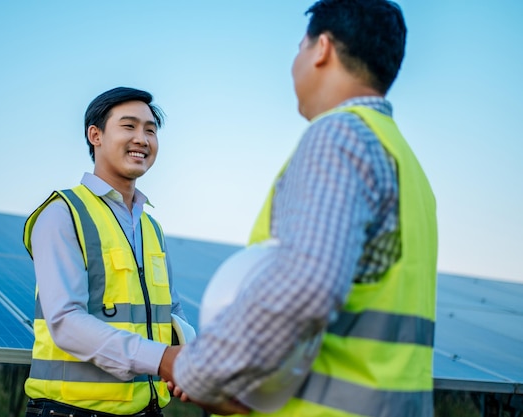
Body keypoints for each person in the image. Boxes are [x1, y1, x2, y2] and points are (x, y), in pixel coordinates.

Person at [170, 0, 438, 416]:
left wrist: (201, 372)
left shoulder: (339, 137)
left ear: (322, 49)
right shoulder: (404, 160)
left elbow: (306, 285)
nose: (295, 61)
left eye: (300, 46)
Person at [22, 87, 188, 417]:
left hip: (147, 410)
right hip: (69, 411)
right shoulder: (62, 213)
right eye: (129, 126)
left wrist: (189, 354)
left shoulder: (150, 227)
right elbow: (66, 322)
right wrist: (162, 359)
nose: (142, 138)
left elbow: (171, 311)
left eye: (150, 130)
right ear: (95, 135)